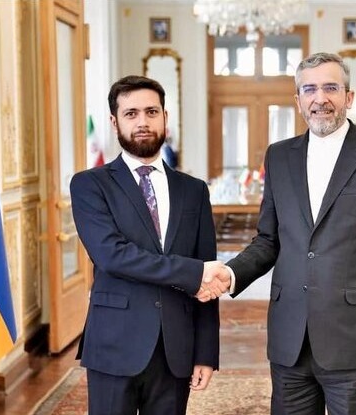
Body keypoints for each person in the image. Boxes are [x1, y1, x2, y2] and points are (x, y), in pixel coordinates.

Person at [203, 52, 356, 414]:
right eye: (310, 89)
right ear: (298, 100)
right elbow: (268, 240)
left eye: (331, 88)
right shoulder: (279, 156)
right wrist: (231, 273)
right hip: (290, 339)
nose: (320, 98)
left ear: (349, 97)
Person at [70, 75, 229, 415]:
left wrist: (205, 352)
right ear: (114, 122)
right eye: (131, 114)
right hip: (114, 345)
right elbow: (112, 256)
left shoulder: (193, 190)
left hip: (175, 348)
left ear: (165, 117)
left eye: (151, 112)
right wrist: (193, 272)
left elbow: (206, 273)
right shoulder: (89, 185)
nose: (142, 122)